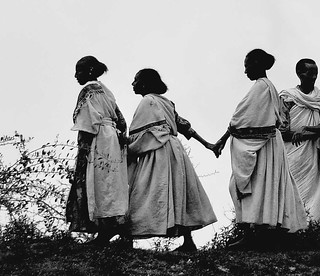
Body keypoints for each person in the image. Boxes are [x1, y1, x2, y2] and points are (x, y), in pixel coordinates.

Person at [215, 49, 307, 250]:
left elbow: (241, 119)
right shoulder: (268, 87)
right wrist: (222, 140)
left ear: (257, 64)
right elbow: (243, 119)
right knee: (261, 189)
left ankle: (254, 237)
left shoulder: (261, 88)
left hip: (264, 146)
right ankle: (260, 236)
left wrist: (222, 140)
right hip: (270, 145)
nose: (245, 70)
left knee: (251, 188)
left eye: (247, 65)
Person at [126, 68, 217, 252]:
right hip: (175, 151)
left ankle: (126, 238)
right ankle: (188, 242)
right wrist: (207, 144)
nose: (132, 84)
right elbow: (184, 126)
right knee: (177, 193)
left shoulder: (147, 101)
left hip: (157, 151)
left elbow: (142, 134)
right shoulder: (167, 102)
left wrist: (126, 148)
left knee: (142, 192)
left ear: (144, 83)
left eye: (135, 80)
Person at [66, 56, 129, 245]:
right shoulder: (107, 92)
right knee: (111, 185)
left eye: (79, 70)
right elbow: (122, 122)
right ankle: (117, 230)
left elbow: (85, 124)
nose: (76, 75)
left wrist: (83, 152)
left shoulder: (87, 91)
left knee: (97, 184)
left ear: (91, 70)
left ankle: (104, 233)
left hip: (97, 139)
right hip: (113, 140)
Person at [279, 58, 320, 222]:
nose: (313, 76)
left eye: (316, 73)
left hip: (314, 158)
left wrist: (305, 131)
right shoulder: (287, 97)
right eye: (309, 73)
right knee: (290, 193)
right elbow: (282, 131)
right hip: (292, 157)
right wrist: (307, 132)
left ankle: (313, 234)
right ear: (299, 73)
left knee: (315, 198)